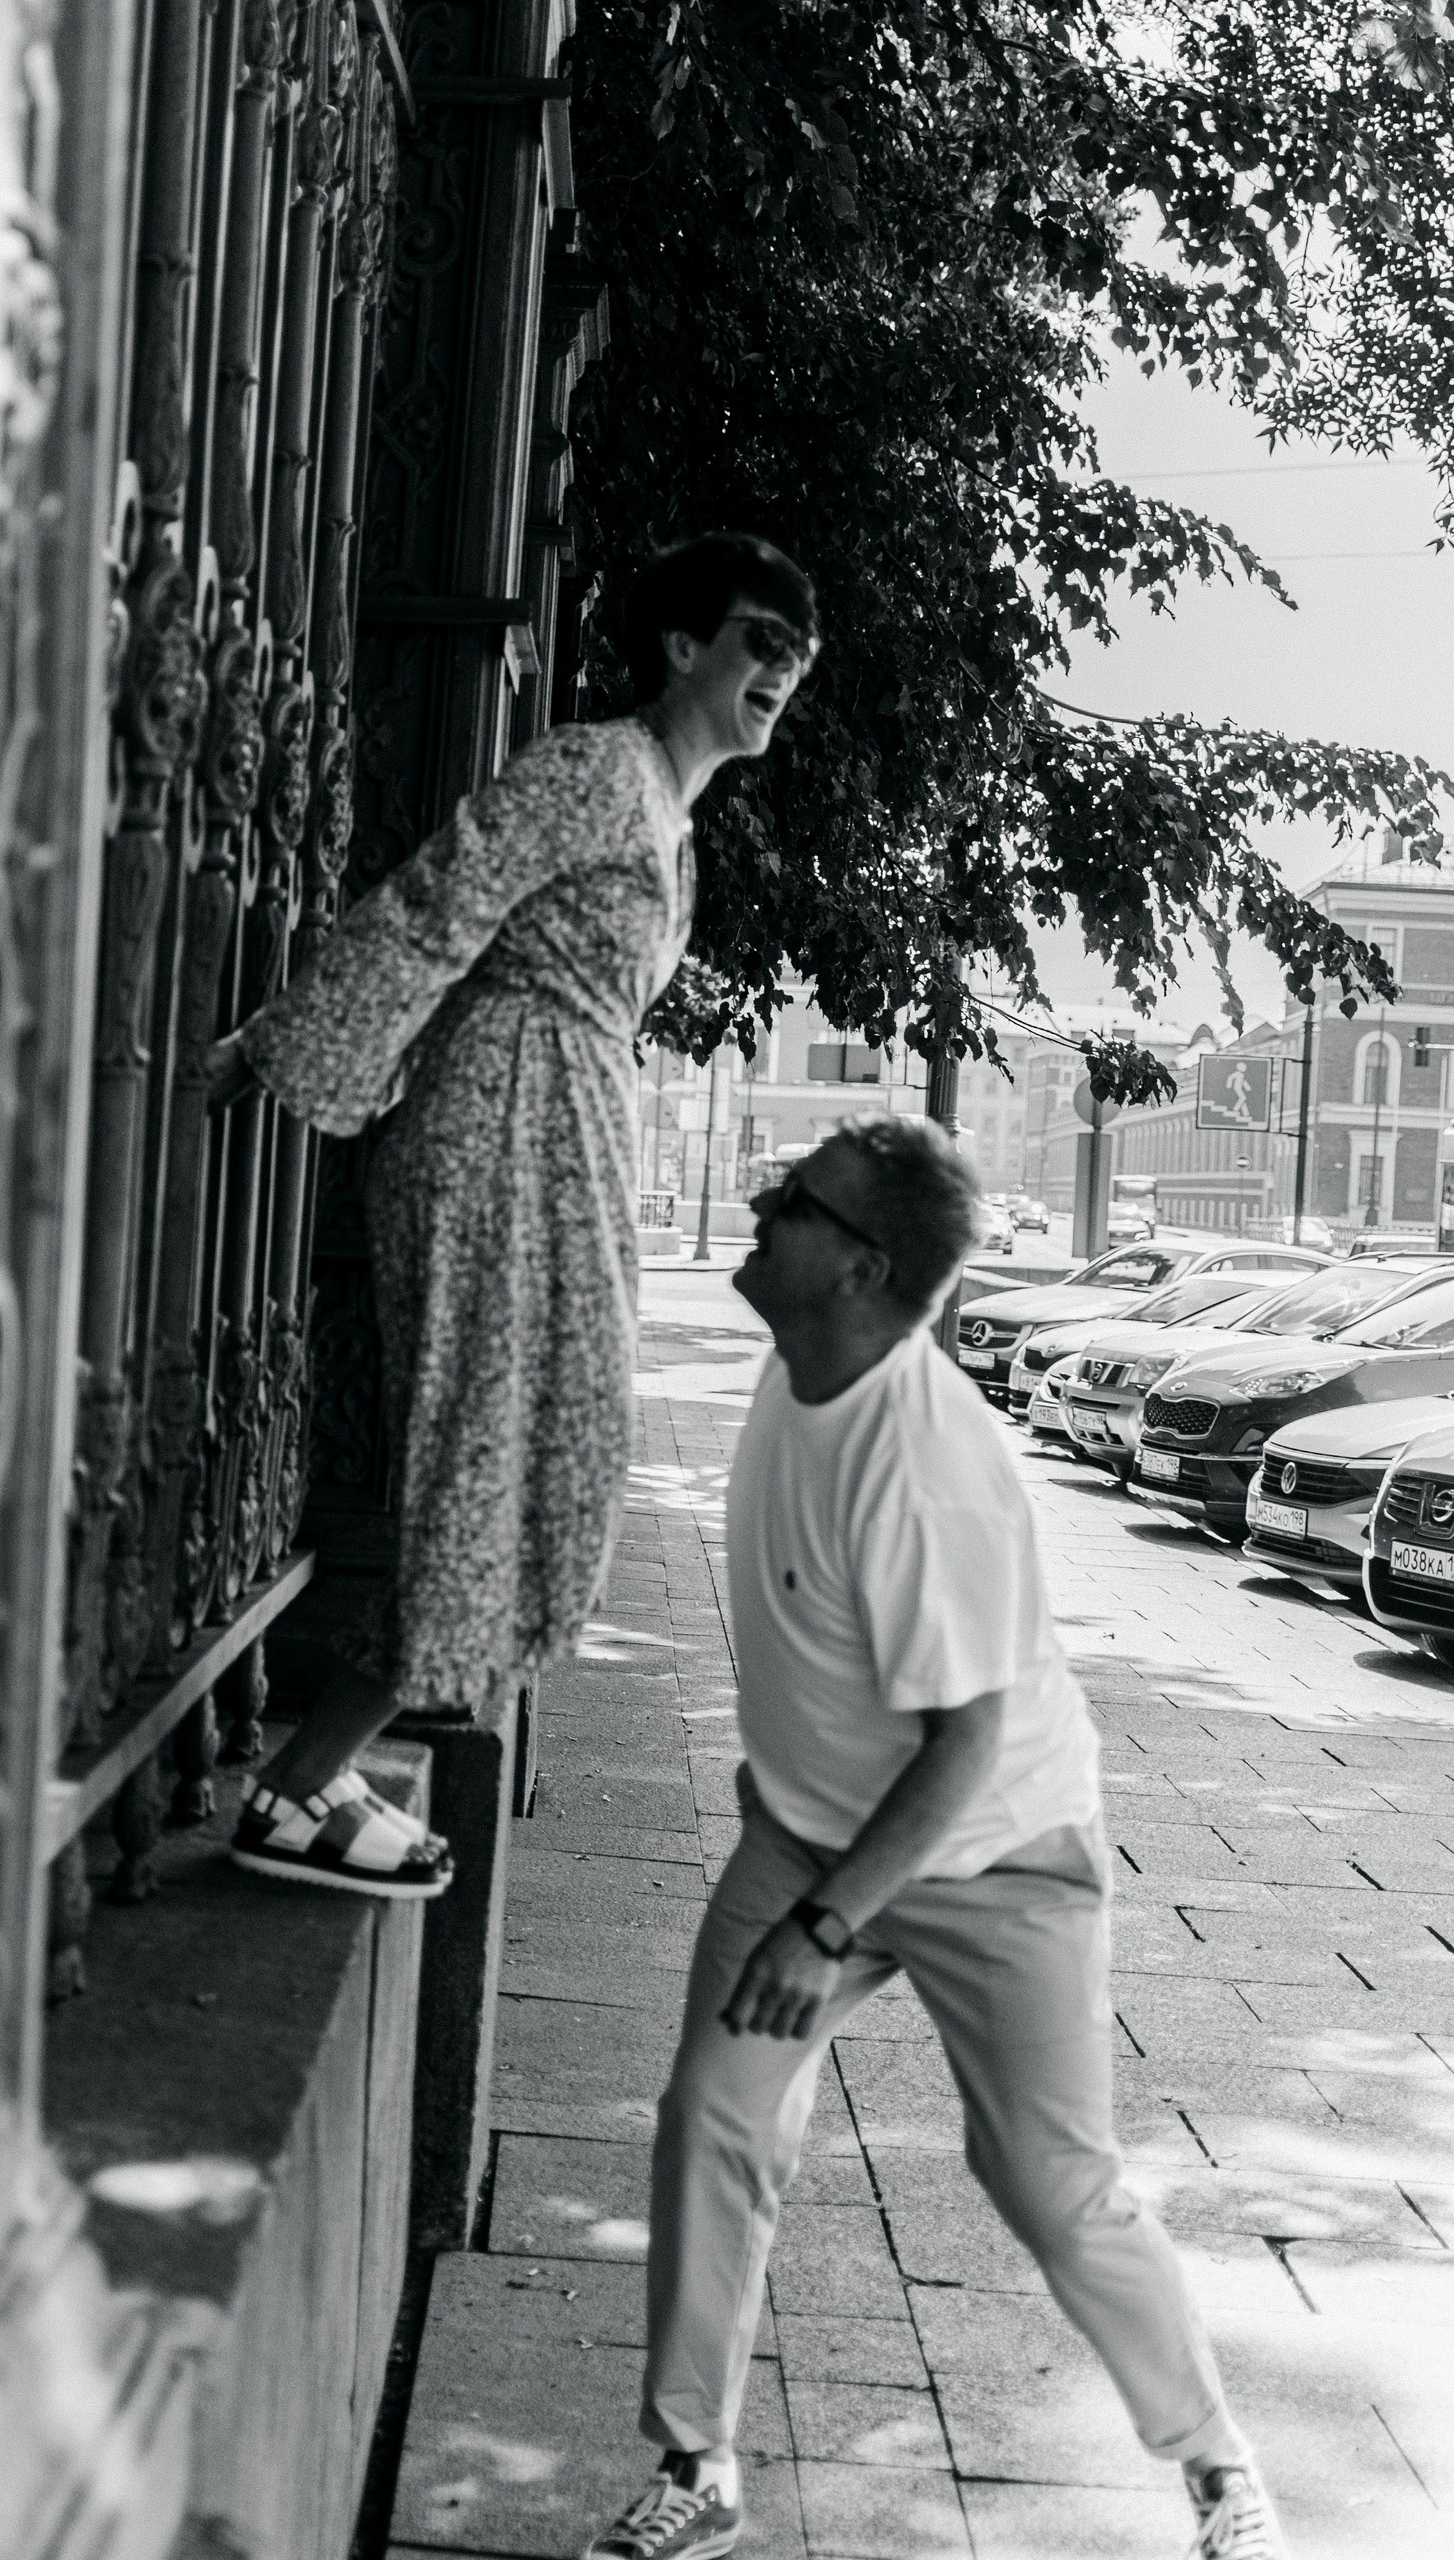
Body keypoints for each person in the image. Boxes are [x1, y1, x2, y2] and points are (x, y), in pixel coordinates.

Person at [586, 1121, 1287, 2560]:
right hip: (811, 1835)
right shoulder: (803, 1365)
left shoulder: (929, 1465)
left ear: (863, 1262)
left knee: (1043, 2177)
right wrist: (791, 1811)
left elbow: (962, 1747)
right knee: (717, 2112)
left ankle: (1220, 2468)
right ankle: (696, 2469)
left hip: (1000, 1854)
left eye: (798, 1199)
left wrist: (828, 1921)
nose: (765, 1202)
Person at [208, 533, 819, 1898]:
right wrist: (286, 1045)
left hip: (565, 1129)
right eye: (759, 640)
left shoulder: (669, 812)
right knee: (494, 1432)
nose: (782, 672)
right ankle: (296, 1784)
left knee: (553, 1436)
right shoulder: (597, 770)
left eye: (799, 655)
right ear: (682, 645)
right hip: (499, 1120)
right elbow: (441, 900)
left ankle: (323, 1764)